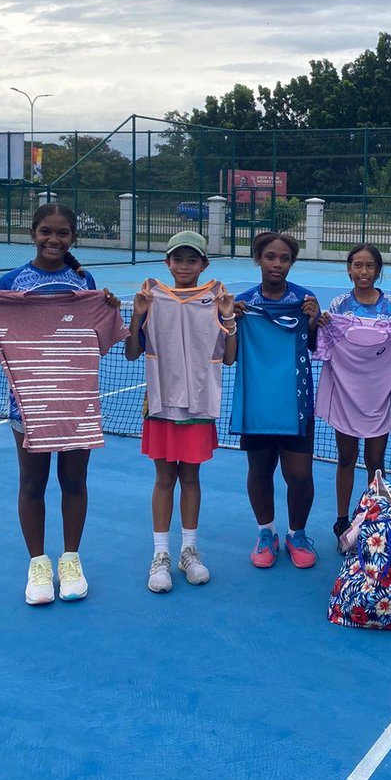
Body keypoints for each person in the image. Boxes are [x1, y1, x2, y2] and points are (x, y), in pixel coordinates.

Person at [0, 203, 124, 606]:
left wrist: (109, 306)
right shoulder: (11, 281)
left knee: (74, 482)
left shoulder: (85, 282)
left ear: (73, 238)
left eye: (62, 233)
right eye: (46, 232)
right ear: (33, 233)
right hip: (28, 404)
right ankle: (38, 564)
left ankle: (71, 560)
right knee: (32, 484)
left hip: (75, 400)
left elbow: (101, 341)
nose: (54, 240)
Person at [125, 231, 237, 593]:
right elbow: (131, 352)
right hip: (161, 404)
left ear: (204, 265)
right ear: (167, 263)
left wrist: (228, 319)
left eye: (192, 259)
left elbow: (230, 356)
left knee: (191, 479)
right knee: (163, 479)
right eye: (178, 258)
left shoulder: (216, 298)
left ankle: (189, 550)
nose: (184, 265)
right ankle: (161, 556)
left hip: (199, 405)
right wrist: (137, 316)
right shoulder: (150, 297)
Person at [230, 232, 320, 569]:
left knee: (299, 474)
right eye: (270, 257)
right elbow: (230, 355)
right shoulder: (242, 303)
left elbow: (314, 346)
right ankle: (266, 533)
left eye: (284, 258)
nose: (277, 264)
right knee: (260, 470)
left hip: (297, 402)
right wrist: (230, 320)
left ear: (292, 262)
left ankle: (298, 533)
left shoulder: (304, 299)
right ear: (258, 259)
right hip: (257, 402)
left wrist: (313, 321)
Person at [319, 244, 391, 541]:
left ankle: (375, 516)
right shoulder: (338, 305)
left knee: (376, 461)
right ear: (349, 269)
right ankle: (342, 519)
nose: (363, 271)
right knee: (346, 457)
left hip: (379, 393)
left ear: (377, 271)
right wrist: (319, 324)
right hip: (346, 393)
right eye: (357, 265)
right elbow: (326, 344)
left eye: (369, 266)